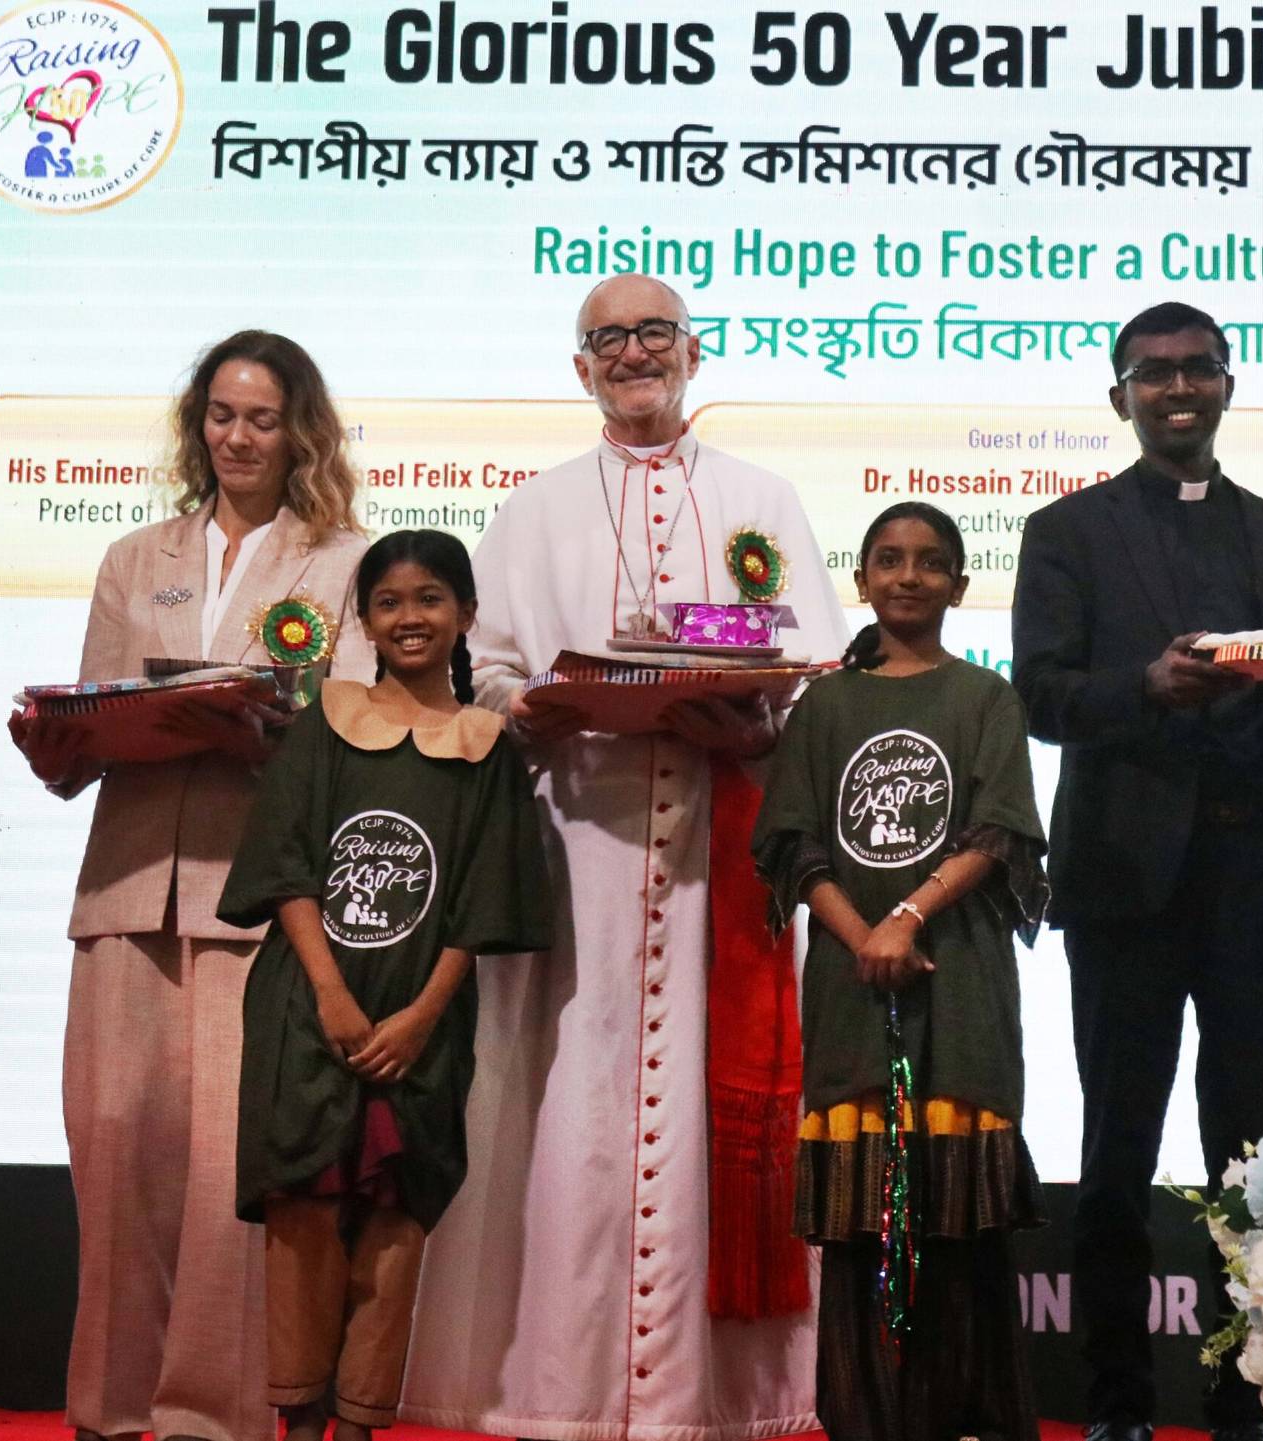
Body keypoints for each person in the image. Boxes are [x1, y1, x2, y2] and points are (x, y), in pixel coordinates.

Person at [399, 273, 849, 1441]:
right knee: (569, 1104)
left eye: (655, 333)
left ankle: (725, 1394)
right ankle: (558, 1385)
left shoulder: (763, 498)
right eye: (610, 340)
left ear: (694, 354)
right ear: (580, 368)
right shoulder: (534, 509)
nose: (634, 353)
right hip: (576, 850)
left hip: (720, 847)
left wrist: (757, 721)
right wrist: (527, 705)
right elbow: (484, 665)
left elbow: (815, 673)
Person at [1010, 301, 1263, 1441]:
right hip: (1127, 880)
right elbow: (1041, 697)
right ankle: (1117, 1407)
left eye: (1198, 370)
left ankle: (1254, 1400)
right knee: (1117, 1149)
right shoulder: (1063, 534)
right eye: (1154, 372)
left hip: (1258, 879)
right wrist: (1149, 687)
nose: (1178, 388)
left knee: (1252, 1157)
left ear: (1228, 384)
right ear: (1120, 394)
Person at [9, 331, 374, 1441]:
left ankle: (206, 1417)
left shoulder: (345, 561)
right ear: (197, 424)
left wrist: (262, 729)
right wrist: (57, 735)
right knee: (117, 1158)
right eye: (221, 413)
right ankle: (111, 1409)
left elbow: (353, 739)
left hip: (254, 907)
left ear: (299, 429)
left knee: (226, 1177)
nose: (238, 435)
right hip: (124, 892)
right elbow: (88, 736)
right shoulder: (135, 557)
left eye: (262, 417)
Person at [217, 529, 552, 1441]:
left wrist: (417, 1017)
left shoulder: (487, 748)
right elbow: (285, 868)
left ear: (467, 613)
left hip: (421, 1023)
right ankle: (299, 1419)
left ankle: (362, 1422)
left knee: (396, 1220)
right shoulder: (325, 721)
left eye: (432, 598)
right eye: (391, 601)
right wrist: (329, 994)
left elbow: (484, 905)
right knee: (305, 1207)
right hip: (306, 1009)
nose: (412, 617)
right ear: (363, 618)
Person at [753, 502, 1048, 1441]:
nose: (908, 576)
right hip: (851, 989)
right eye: (889, 559)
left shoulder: (986, 699)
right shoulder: (826, 707)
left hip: (958, 984)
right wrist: (864, 933)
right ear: (864, 579)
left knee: (958, 1228)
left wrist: (911, 915)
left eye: (930, 563)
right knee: (860, 1232)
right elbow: (795, 847)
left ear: (960, 585)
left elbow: (998, 833)